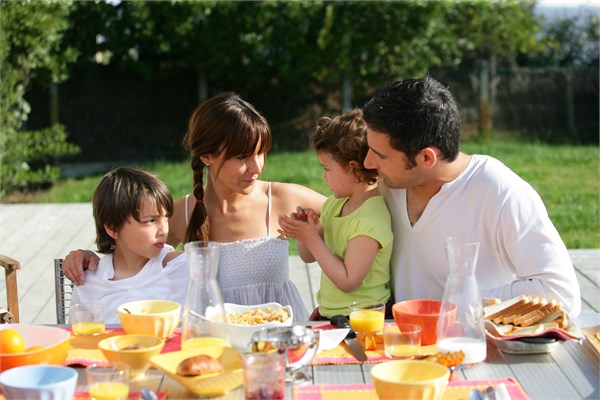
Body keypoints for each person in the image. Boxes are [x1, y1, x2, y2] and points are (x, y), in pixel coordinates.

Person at [63, 92, 326, 322]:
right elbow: (132, 256)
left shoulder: (283, 198)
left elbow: (354, 217)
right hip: (214, 347)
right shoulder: (179, 215)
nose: (257, 166)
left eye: (261, 152)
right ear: (206, 156)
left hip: (282, 337)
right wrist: (91, 258)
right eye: (242, 156)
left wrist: (333, 304)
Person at [362, 76, 581, 317]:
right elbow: (331, 216)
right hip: (398, 346)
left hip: (479, 348)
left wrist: (457, 305)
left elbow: (561, 294)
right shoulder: (387, 183)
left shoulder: (500, 192)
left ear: (426, 158)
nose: (367, 162)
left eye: (380, 155)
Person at [278, 108, 392, 320]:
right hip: (333, 315)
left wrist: (311, 238)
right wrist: (307, 233)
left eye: (327, 169)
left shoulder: (370, 220)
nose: (324, 177)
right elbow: (309, 256)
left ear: (353, 168)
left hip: (363, 321)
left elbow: (349, 281)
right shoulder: (335, 204)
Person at [70, 166, 187, 324]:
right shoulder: (89, 284)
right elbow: (81, 342)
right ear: (113, 228)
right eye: (151, 220)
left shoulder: (179, 268)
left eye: (166, 218)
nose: (164, 230)